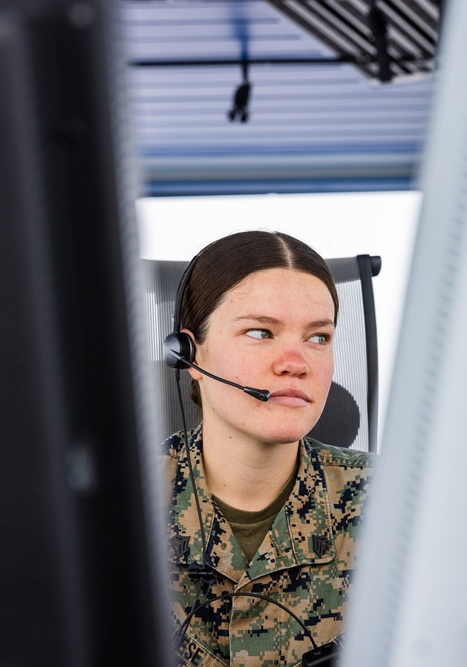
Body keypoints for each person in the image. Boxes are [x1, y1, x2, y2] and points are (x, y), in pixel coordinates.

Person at [160, 231, 374, 667]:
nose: (296, 363)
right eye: (261, 332)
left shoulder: (399, 506)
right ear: (189, 355)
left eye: (319, 338)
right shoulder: (104, 512)